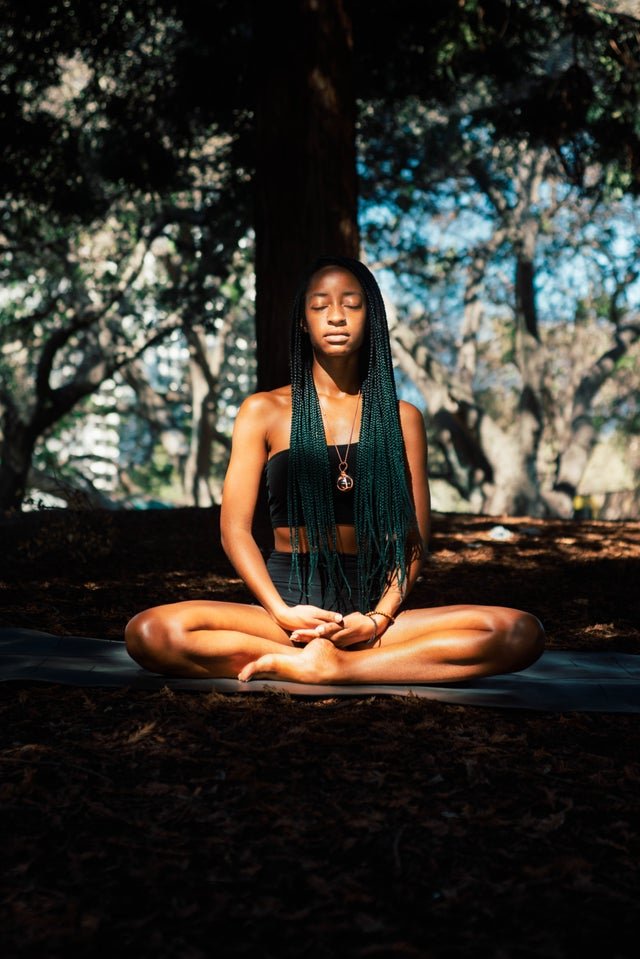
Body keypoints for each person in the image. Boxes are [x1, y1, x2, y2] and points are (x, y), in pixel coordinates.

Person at [125, 255, 544, 685]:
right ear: (303, 322)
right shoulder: (263, 411)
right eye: (320, 305)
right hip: (287, 607)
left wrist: (379, 619)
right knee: (150, 633)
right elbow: (234, 530)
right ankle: (311, 657)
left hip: (370, 612)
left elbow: (412, 539)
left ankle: (337, 666)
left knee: (519, 633)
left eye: (351, 304)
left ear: (372, 317)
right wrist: (281, 611)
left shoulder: (402, 419)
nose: (337, 316)